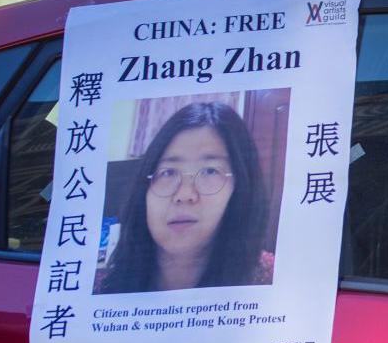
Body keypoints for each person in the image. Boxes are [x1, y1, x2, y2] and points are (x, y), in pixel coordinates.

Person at [97, 101, 271, 294]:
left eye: (210, 171)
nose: (184, 195)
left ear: (241, 188)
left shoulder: (269, 279)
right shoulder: (102, 287)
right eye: (168, 172)